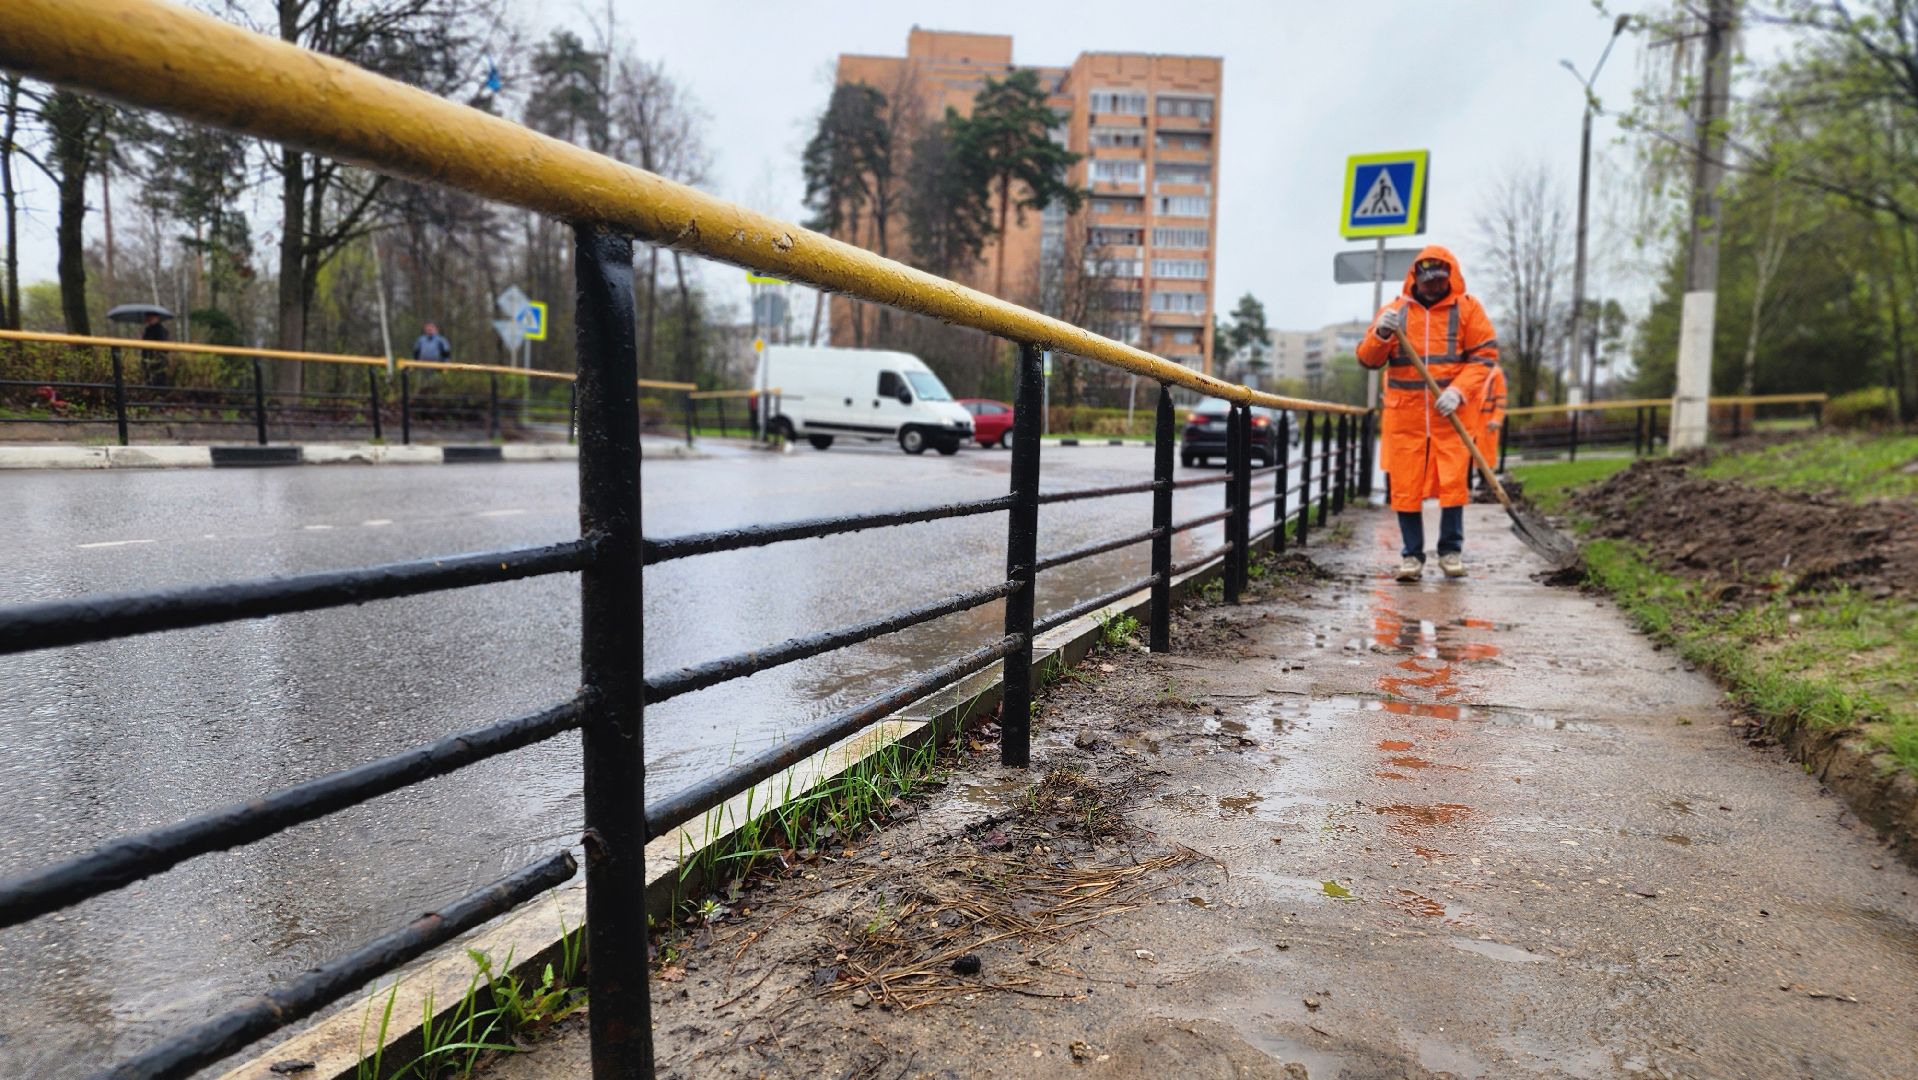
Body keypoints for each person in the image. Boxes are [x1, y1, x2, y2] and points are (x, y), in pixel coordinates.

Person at [1355, 245, 1500, 582]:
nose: (1432, 287)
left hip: (1450, 416)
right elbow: (1368, 359)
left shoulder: (1467, 309)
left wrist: (1458, 390)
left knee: (1452, 485)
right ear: (1415, 278)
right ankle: (1412, 556)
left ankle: (1450, 551)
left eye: (1438, 281)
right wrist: (1381, 334)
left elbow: (1484, 356)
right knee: (1405, 487)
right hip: (1406, 419)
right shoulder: (1395, 311)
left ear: (1450, 278)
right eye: (1427, 281)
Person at [1473, 362, 1508, 489]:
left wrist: (1496, 419)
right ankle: (1478, 482)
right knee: (1472, 453)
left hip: (1487, 420)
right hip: (1474, 417)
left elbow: (1501, 399)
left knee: (1486, 452)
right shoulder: (1476, 369)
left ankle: (1485, 481)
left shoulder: (1496, 374)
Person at [139, 311, 170, 387]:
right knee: (150, 380)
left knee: (158, 380)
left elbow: (164, 346)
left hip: (157, 360)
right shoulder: (148, 329)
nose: (149, 319)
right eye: (148, 318)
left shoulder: (160, 330)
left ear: (157, 318)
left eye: (151, 317)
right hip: (149, 359)